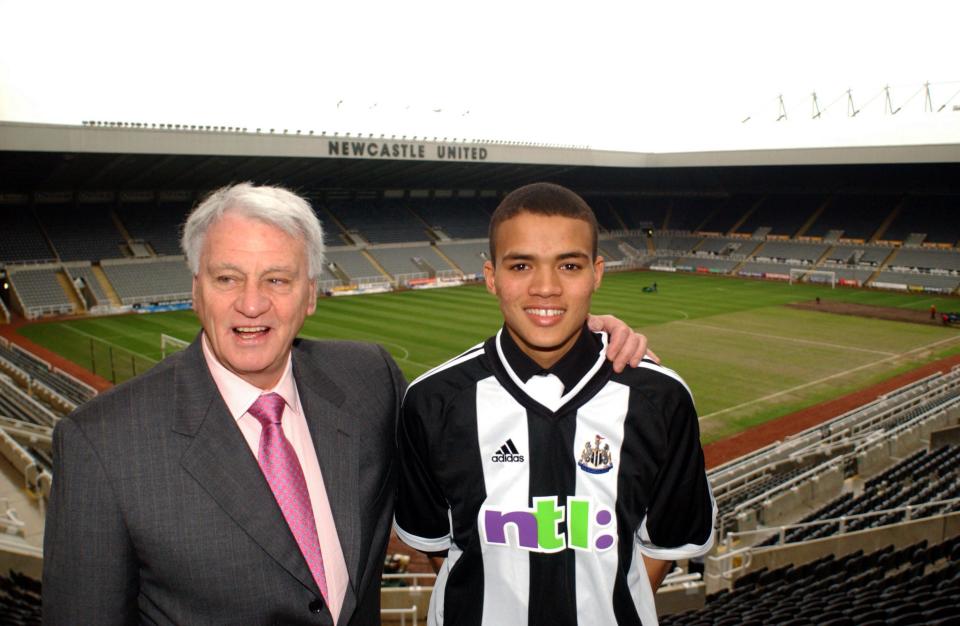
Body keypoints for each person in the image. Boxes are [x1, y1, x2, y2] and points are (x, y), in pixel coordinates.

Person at [42, 182, 653, 625]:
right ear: (195, 287)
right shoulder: (102, 444)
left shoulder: (368, 381)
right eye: (228, 277)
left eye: (277, 279)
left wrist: (575, 333)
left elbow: (470, 405)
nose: (252, 304)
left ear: (310, 295)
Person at [395, 183, 715, 625]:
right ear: (491, 277)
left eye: (569, 265)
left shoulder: (660, 400)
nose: (546, 287)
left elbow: (660, 551)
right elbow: (438, 548)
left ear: (597, 273)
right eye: (521, 264)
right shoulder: (433, 402)